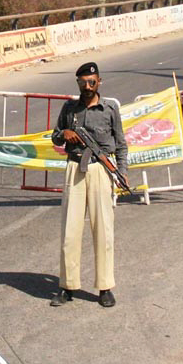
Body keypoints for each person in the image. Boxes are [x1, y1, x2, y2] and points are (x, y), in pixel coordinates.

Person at [50, 61, 127, 309]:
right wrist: (65, 135)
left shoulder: (110, 109)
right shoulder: (69, 109)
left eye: (91, 82)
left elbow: (122, 144)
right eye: (82, 82)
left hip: (100, 170)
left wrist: (121, 174)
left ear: (99, 82)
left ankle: (105, 287)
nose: (87, 86)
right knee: (70, 232)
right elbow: (54, 135)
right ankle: (67, 286)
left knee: (103, 230)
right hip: (75, 169)